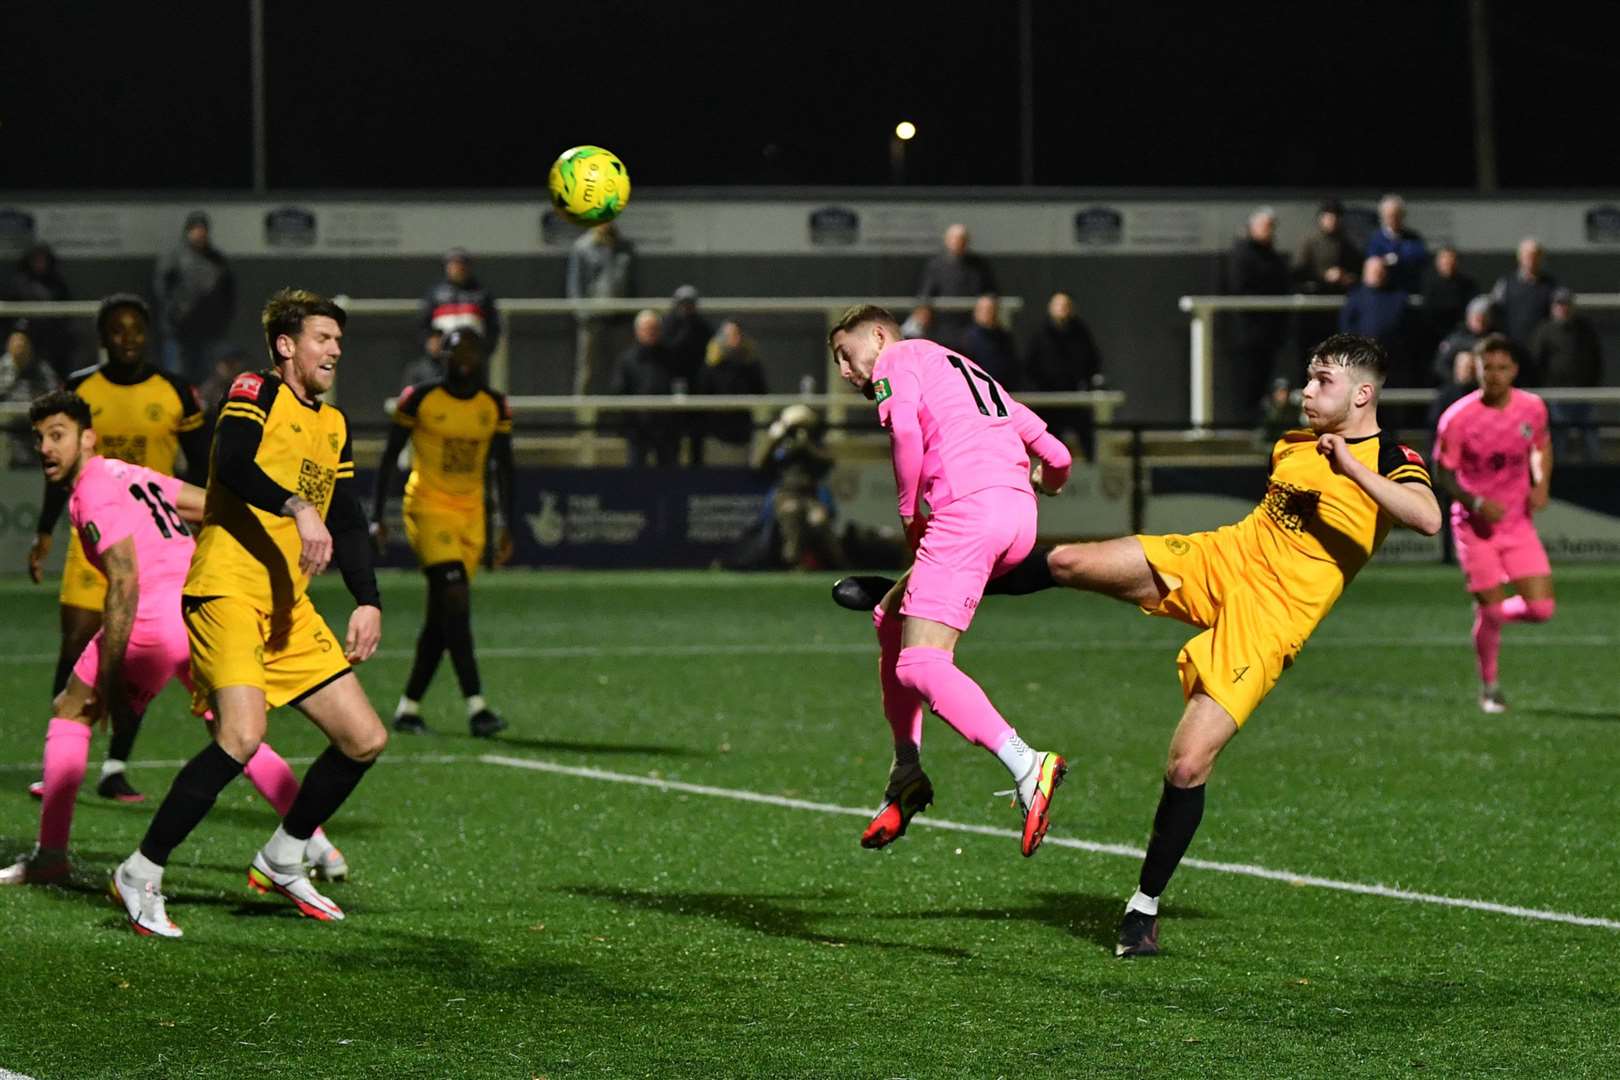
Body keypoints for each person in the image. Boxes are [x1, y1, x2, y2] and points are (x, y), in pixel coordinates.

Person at [832, 333, 1442, 956]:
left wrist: (1354, 467)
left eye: (1323, 382)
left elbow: (1427, 517)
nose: (1307, 392)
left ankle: (1143, 907)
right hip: (1224, 558)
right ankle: (911, 592)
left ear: (1363, 394)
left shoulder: (1392, 457)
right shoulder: (1295, 444)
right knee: (1069, 560)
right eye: (1308, 378)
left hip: (1272, 617)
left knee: (1187, 764)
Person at [110, 288, 385, 938]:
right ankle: (141, 870)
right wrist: (296, 505)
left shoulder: (334, 424)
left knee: (364, 739)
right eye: (323, 338)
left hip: (288, 606)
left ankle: (284, 855)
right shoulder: (255, 390)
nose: (334, 350)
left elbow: (345, 519)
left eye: (339, 342)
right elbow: (231, 463)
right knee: (240, 735)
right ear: (287, 345)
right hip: (227, 591)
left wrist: (367, 598)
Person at [1, 391, 345, 887]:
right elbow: (211, 505)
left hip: (153, 616)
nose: (46, 448)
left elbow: (123, 580)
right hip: (199, 605)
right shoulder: (129, 473)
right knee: (233, 731)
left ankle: (50, 856)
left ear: (87, 438)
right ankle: (318, 845)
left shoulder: (91, 491)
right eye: (39, 439)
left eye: (57, 436)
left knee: (70, 710)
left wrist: (114, 680)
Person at [826, 304, 1073, 859]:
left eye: (846, 354)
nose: (846, 371)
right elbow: (1057, 454)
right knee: (890, 618)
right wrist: (1048, 481)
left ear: (880, 335)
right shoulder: (963, 367)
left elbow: (908, 435)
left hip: (965, 513)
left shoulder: (897, 361)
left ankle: (1027, 764)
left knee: (921, 662)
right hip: (1016, 519)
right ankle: (906, 771)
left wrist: (910, 517)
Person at [26, 294, 210, 803]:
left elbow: (201, 467)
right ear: (104, 337)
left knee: (136, 652)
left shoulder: (175, 391)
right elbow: (56, 465)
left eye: (136, 330)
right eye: (117, 330)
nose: (127, 338)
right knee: (76, 646)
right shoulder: (80, 389)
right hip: (97, 541)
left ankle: (115, 765)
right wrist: (44, 531)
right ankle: (60, 764)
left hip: (149, 547)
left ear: (147, 335)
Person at [371, 327, 514, 738]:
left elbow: (505, 466)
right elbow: (387, 456)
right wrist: (377, 514)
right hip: (429, 509)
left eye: (470, 349)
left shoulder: (494, 406)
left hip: (471, 517)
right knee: (455, 600)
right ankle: (477, 707)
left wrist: (506, 522)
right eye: (455, 350)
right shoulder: (420, 398)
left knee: (443, 616)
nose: (463, 357)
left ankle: (408, 709)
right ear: (442, 357)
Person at [1433, 334, 1555, 714]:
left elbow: (1541, 447)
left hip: (1518, 522)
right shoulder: (1457, 418)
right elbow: (1443, 472)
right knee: (1493, 610)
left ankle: (1491, 613)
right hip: (1474, 527)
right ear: (1477, 370)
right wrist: (1477, 502)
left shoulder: (1532, 408)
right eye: (1488, 368)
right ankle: (1490, 687)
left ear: (1514, 370)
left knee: (1541, 609)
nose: (1495, 375)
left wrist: (1542, 482)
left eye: (1503, 368)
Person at [153, 211, 236, 382]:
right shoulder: (174, 258)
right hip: (179, 332)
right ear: (188, 231)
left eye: (202, 229)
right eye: (196, 229)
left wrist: (222, 319)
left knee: (206, 379)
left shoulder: (217, 260)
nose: (199, 233)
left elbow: (229, 294)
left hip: (208, 332)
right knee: (177, 378)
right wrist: (176, 311)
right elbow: (162, 290)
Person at [1225, 207, 1291, 421]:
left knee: (1264, 383)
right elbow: (1239, 289)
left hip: (1268, 335)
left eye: (1272, 227)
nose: (1269, 231)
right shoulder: (1242, 254)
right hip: (1247, 335)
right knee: (1247, 385)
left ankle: (1258, 427)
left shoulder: (1272, 256)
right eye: (1265, 227)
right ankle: (1243, 427)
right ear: (1252, 228)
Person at [1024, 291, 1104, 459]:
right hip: (1048, 402)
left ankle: (1090, 475)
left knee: (1088, 438)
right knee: (1050, 445)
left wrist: (1087, 384)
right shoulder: (1039, 334)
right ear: (1050, 308)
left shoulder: (1081, 333)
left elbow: (1092, 361)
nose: (1062, 309)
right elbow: (1029, 366)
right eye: (1058, 305)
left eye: (1066, 306)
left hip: (1076, 400)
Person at [1530, 287, 1603, 461]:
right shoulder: (1544, 330)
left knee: (1591, 437)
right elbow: (1536, 362)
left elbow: (1596, 358)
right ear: (1552, 307)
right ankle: (1559, 477)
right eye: (1559, 304)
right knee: (1559, 438)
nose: (1563, 308)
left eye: (1566, 304)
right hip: (1557, 396)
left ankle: (1598, 475)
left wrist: (1592, 385)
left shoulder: (1585, 329)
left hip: (1585, 393)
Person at [566, 223, 636, 395]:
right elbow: (575, 286)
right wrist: (584, 316)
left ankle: (620, 417)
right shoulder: (582, 247)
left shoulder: (625, 246)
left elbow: (634, 283)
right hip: (592, 321)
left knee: (621, 370)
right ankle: (584, 418)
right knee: (588, 371)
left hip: (621, 320)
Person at [1292, 198, 1361, 353]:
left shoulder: (1348, 244)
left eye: (1336, 217)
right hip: (1313, 306)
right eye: (1329, 217)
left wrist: (1347, 278)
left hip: (1337, 306)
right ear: (1321, 218)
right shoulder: (1310, 243)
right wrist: (1323, 277)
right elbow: (1298, 273)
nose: (1333, 221)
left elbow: (1358, 272)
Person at [614, 309, 680, 466]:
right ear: (637, 331)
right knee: (635, 479)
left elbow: (679, 389)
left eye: (655, 329)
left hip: (667, 429)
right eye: (647, 329)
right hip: (638, 430)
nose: (651, 333)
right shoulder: (627, 360)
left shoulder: (672, 357)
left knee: (670, 478)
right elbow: (619, 392)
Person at [1339, 256, 1415, 386]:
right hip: (1363, 359)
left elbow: (1408, 326)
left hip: (1393, 358)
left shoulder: (1398, 297)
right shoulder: (1355, 297)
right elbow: (1347, 325)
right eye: (1373, 270)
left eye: (1380, 270)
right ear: (1365, 273)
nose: (1377, 274)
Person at [917, 224, 997, 345]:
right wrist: (924, 309)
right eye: (954, 239)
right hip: (942, 325)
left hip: (971, 325)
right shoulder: (936, 265)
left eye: (961, 240)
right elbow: (926, 293)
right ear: (947, 240)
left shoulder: (979, 265)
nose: (957, 243)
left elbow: (989, 291)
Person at [697, 320, 768, 451]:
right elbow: (703, 397)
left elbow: (761, 394)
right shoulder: (711, 366)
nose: (734, 339)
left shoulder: (751, 365)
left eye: (737, 334)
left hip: (744, 433)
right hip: (716, 434)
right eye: (729, 335)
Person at [661, 286, 712, 464]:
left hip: (697, 386)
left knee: (697, 435)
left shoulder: (703, 327)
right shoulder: (668, 325)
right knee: (672, 433)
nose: (686, 308)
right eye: (683, 304)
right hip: (672, 384)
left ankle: (697, 470)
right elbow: (668, 351)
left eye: (690, 304)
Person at [7, 243, 76, 376]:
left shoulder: (57, 284)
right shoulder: (19, 283)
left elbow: (67, 313)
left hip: (52, 337)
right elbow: (9, 315)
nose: (39, 263)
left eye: (42, 260)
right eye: (36, 260)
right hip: (25, 333)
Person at [0, 323, 63, 467]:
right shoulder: (2, 369)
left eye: (23, 343)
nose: (19, 346)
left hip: (35, 428)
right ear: (8, 346)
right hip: (6, 428)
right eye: (15, 342)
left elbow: (55, 396)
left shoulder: (42, 370)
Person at [1490, 238, 1558, 368]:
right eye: (1527, 255)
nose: (1531, 260)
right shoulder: (1506, 283)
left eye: (1535, 256)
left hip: (1542, 352)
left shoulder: (1551, 285)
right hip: (1512, 349)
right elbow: (1496, 314)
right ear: (1519, 257)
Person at [419, 247, 501, 347]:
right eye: (453, 264)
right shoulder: (435, 293)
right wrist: (430, 340)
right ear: (447, 267)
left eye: (462, 263)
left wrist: (485, 348)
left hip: (473, 353)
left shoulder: (482, 293)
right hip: (443, 354)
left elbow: (493, 326)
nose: (458, 268)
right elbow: (423, 323)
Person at [1418, 245, 1477, 364]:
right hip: (1432, 337)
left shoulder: (1468, 285)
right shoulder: (1428, 284)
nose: (1448, 264)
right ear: (1437, 263)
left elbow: (1470, 312)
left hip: (1459, 337)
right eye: (1444, 260)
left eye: (1451, 260)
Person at [1364, 193, 1428, 293]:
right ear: (1382, 217)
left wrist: (1398, 259)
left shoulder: (1413, 238)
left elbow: (1420, 257)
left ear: (1402, 216)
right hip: (1382, 292)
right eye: (1389, 216)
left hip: (1408, 290)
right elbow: (1373, 262)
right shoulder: (1375, 239)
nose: (1392, 220)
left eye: (1396, 216)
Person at [960, 294, 1020, 390]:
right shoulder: (968, 339)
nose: (986, 313)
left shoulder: (1004, 337)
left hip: (1003, 388)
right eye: (982, 309)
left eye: (990, 309)